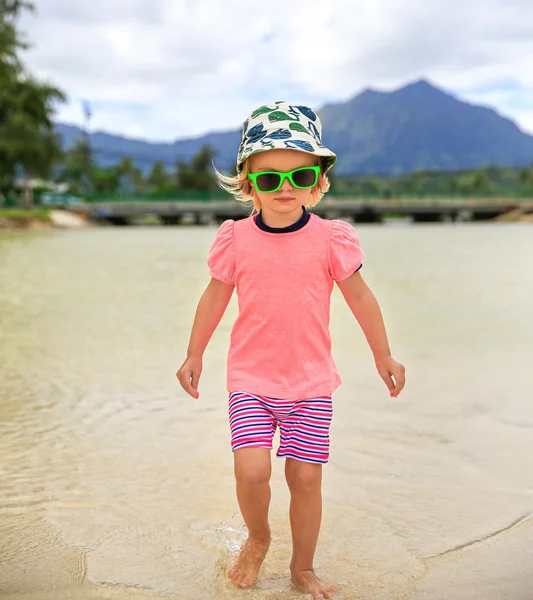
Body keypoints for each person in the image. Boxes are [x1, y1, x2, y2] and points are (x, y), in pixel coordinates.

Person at [177, 101, 406, 599]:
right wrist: (194, 354)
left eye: (299, 176)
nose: (285, 188)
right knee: (251, 468)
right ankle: (258, 537)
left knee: (304, 478)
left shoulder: (330, 239)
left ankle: (303, 567)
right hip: (252, 379)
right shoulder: (235, 239)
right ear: (247, 184)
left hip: (310, 382)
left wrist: (382, 355)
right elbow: (215, 296)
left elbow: (361, 299)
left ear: (318, 182)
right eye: (269, 179)